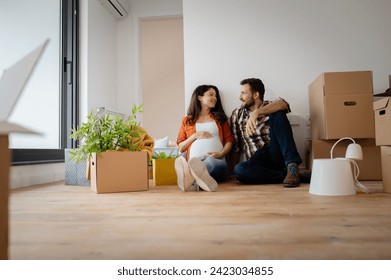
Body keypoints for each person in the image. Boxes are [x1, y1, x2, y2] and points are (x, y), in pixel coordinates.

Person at [230, 78, 303, 187]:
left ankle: (292, 165)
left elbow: (283, 104)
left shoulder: (272, 105)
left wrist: (256, 113)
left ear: (255, 95)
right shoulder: (237, 114)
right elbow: (236, 145)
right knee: (239, 170)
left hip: (275, 151)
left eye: (243, 93)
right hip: (257, 161)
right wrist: (232, 171)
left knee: (278, 113)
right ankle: (290, 175)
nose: (240, 97)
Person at [175, 85, 234, 192]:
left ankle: (189, 176)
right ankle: (199, 179)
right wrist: (195, 136)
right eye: (211, 95)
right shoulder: (187, 120)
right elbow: (181, 148)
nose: (215, 98)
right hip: (195, 160)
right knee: (196, 162)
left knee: (210, 161)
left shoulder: (220, 118)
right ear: (199, 97)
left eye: (216, 96)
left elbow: (229, 141)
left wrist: (220, 154)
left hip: (218, 162)